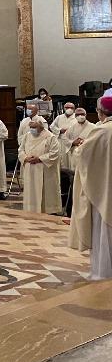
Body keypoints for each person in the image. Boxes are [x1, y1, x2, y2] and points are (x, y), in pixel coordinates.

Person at [69, 96, 112, 279]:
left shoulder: (101, 131)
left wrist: (79, 147)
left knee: (104, 231)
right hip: (105, 183)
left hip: (103, 189)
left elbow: (82, 155)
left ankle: (103, 272)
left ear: (100, 112)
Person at [19, 117, 62, 214]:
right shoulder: (27, 136)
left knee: (46, 192)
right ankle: (31, 209)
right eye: (30, 127)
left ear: (41, 127)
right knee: (31, 191)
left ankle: (49, 210)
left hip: (45, 170)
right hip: (30, 168)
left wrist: (39, 158)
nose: (32, 130)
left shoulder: (50, 137)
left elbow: (55, 153)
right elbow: (20, 150)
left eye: (34, 127)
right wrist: (26, 158)